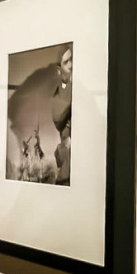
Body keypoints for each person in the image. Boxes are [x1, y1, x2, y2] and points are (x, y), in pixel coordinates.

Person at [52, 46, 73, 185]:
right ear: (59, 70)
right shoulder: (58, 93)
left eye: (72, 60)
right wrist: (72, 84)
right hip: (67, 171)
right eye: (66, 62)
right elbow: (58, 118)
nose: (71, 65)